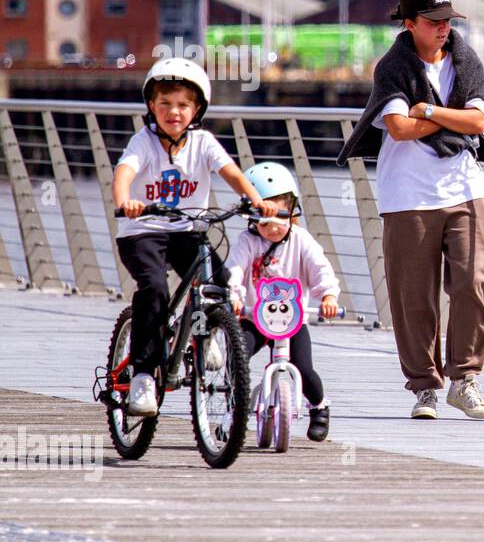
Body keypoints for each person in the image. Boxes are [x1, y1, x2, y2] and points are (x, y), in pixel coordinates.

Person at [336, 0, 484, 422]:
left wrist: (427, 110)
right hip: (407, 194)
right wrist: (451, 118)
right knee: (414, 296)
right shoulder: (392, 67)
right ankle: (426, 387)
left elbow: (478, 120)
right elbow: (397, 127)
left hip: (466, 187)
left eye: (448, 21)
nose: (444, 28)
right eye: (433, 22)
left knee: (472, 283)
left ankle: (464, 381)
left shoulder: (467, 61)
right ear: (409, 25)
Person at [113, 57, 275, 417]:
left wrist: (255, 199)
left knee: (218, 280)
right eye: (165, 103)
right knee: (155, 288)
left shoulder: (203, 141)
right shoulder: (143, 142)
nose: (174, 111)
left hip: (187, 228)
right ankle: (142, 375)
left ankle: (205, 336)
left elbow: (229, 171)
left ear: (197, 108)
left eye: (184, 105)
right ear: (151, 106)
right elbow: (125, 171)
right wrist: (126, 202)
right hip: (144, 231)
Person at [226, 162, 340, 442]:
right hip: (255, 318)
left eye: (280, 219)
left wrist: (328, 296)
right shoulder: (247, 242)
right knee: (236, 357)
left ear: (292, 210)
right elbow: (235, 272)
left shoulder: (301, 240)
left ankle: (319, 407)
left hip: (292, 321)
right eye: (265, 223)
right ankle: (233, 406)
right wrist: (234, 296)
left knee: (303, 367)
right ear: (251, 219)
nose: (274, 229)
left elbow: (320, 268)